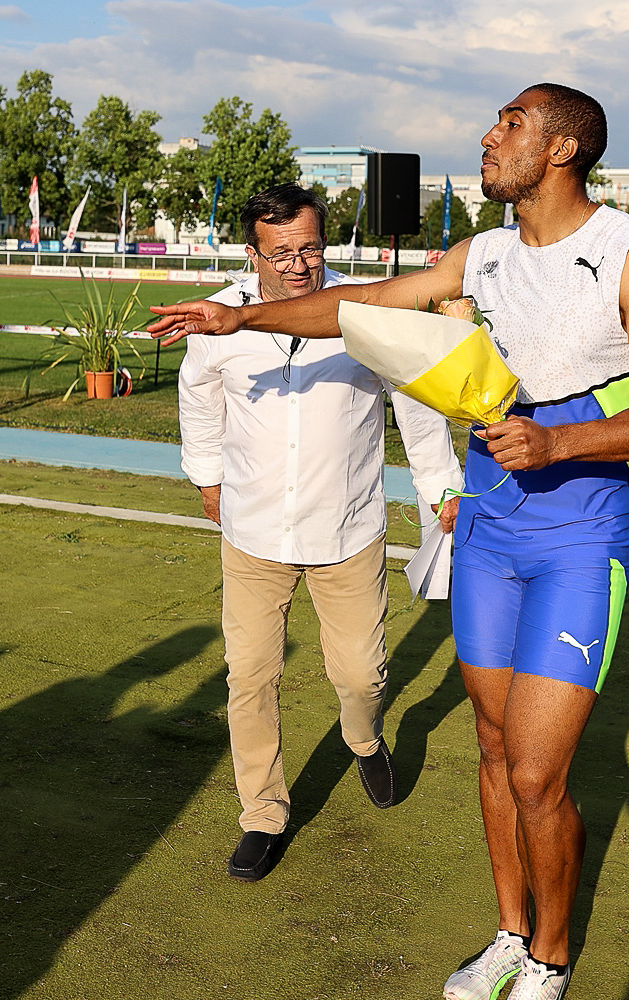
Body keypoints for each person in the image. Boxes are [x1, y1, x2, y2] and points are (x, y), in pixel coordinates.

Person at [148, 84, 629, 1000]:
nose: (491, 137)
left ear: (564, 149)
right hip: (490, 524)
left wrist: (558, 441)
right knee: (492, 752)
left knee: (537, 773)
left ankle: (550, 960)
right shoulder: (481, 255)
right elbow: (359, 307)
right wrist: (237, 315)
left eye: (513, 125)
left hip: (579, 533)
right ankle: (507, 932)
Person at [178, 183, 463, 883]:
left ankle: (363, 739)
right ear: (253, 253)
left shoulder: (364, 312)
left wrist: (441, 493)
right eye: (281, 253)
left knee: (362, 677)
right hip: (252, 533)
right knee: (250, 675)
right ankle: (263, 816)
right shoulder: (221, 321)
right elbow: (199, 396)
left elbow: (417, 406)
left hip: (348, 528)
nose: (299, 265)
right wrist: (209, 479)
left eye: (310, 248)